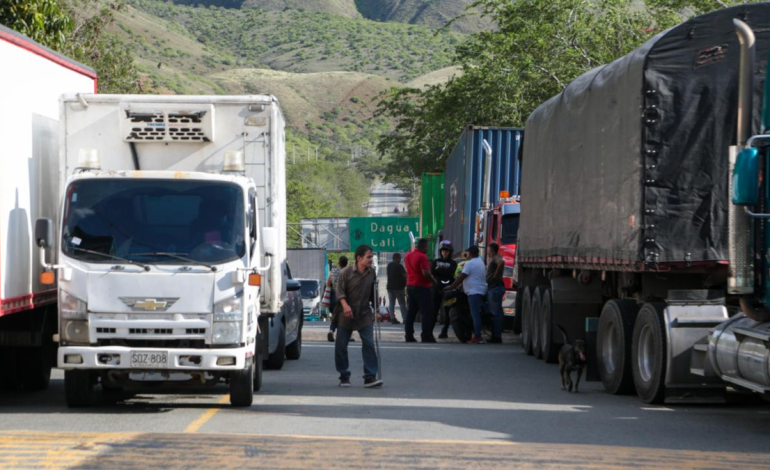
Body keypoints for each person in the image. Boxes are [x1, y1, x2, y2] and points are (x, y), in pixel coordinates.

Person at [334, 244, 382, 388]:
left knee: (369, 343)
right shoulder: (346, 273)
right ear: (359, 258)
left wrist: (377, 309)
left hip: (364, 314)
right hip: (346, 313)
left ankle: (370, 376)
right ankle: (344, 375)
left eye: (371, 257)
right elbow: (339, 291)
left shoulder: (372, 273)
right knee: (341, 346)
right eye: (368, 257)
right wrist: (345, 305)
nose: (370, 260)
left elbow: (374, 293)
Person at [444, 245, 487, 344]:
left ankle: (477, 336)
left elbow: (461, 277)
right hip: (480, 291)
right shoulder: (480, 262)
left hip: (473, 292)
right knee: (476, 313)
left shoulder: (470, 264)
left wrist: (451, 286)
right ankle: (476, 333)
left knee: (475, 314)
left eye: (467, 253)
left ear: (470, 253)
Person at [404, 238, 438, 343]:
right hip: (422, 287)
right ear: (425, 246)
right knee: (427, 312)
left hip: (410, 286)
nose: (427, 249)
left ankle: (409, 335)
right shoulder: (423, 257)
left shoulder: (408, 255)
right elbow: (426, 273)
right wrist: (433, 281)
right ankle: (426, 336)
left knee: (411, 312)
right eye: (427, 247)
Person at [431, 241, 457, 339]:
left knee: (447, 311)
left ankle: (445, 330)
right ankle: (429, 331)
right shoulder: (435, 261)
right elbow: (432, 271)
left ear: (450, 252)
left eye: (446, 251)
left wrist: (440, 271)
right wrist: (444, 271)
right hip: (436, 290)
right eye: (443, 251)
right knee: (434, 310)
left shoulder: (453, 263)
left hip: (448, 290)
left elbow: (451, 273)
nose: (445, 253)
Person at [327, 256, 350, 342]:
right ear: (347, 263)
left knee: (335, 316)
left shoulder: (333, 272)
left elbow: (328, 284)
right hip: (344, 297)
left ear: (339, 263)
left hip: (334, 296)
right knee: (345, 317)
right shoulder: (348, 272)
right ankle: (344, 335)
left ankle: (331, 330)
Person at [486, 243, 505, 344]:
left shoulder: (496, 257)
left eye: (488, 249)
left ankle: (497, 337)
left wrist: (495, 277)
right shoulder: (493, 258)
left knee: (495, 313)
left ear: (491, 250)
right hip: (494, 288)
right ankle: (495, 334)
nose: (487, 251)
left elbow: (501, 263)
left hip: (495, 288)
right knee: (496, 312)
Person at [386, 253, 406, 324]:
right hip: (398, 288)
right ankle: (405, 318)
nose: (400, 260)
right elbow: (405, 275)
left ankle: (392, 318)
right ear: (397, 258)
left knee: (391, 303)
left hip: (390, 287)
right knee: (402, 303)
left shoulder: (389, 265)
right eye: (399, 258)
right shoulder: (399, 266)